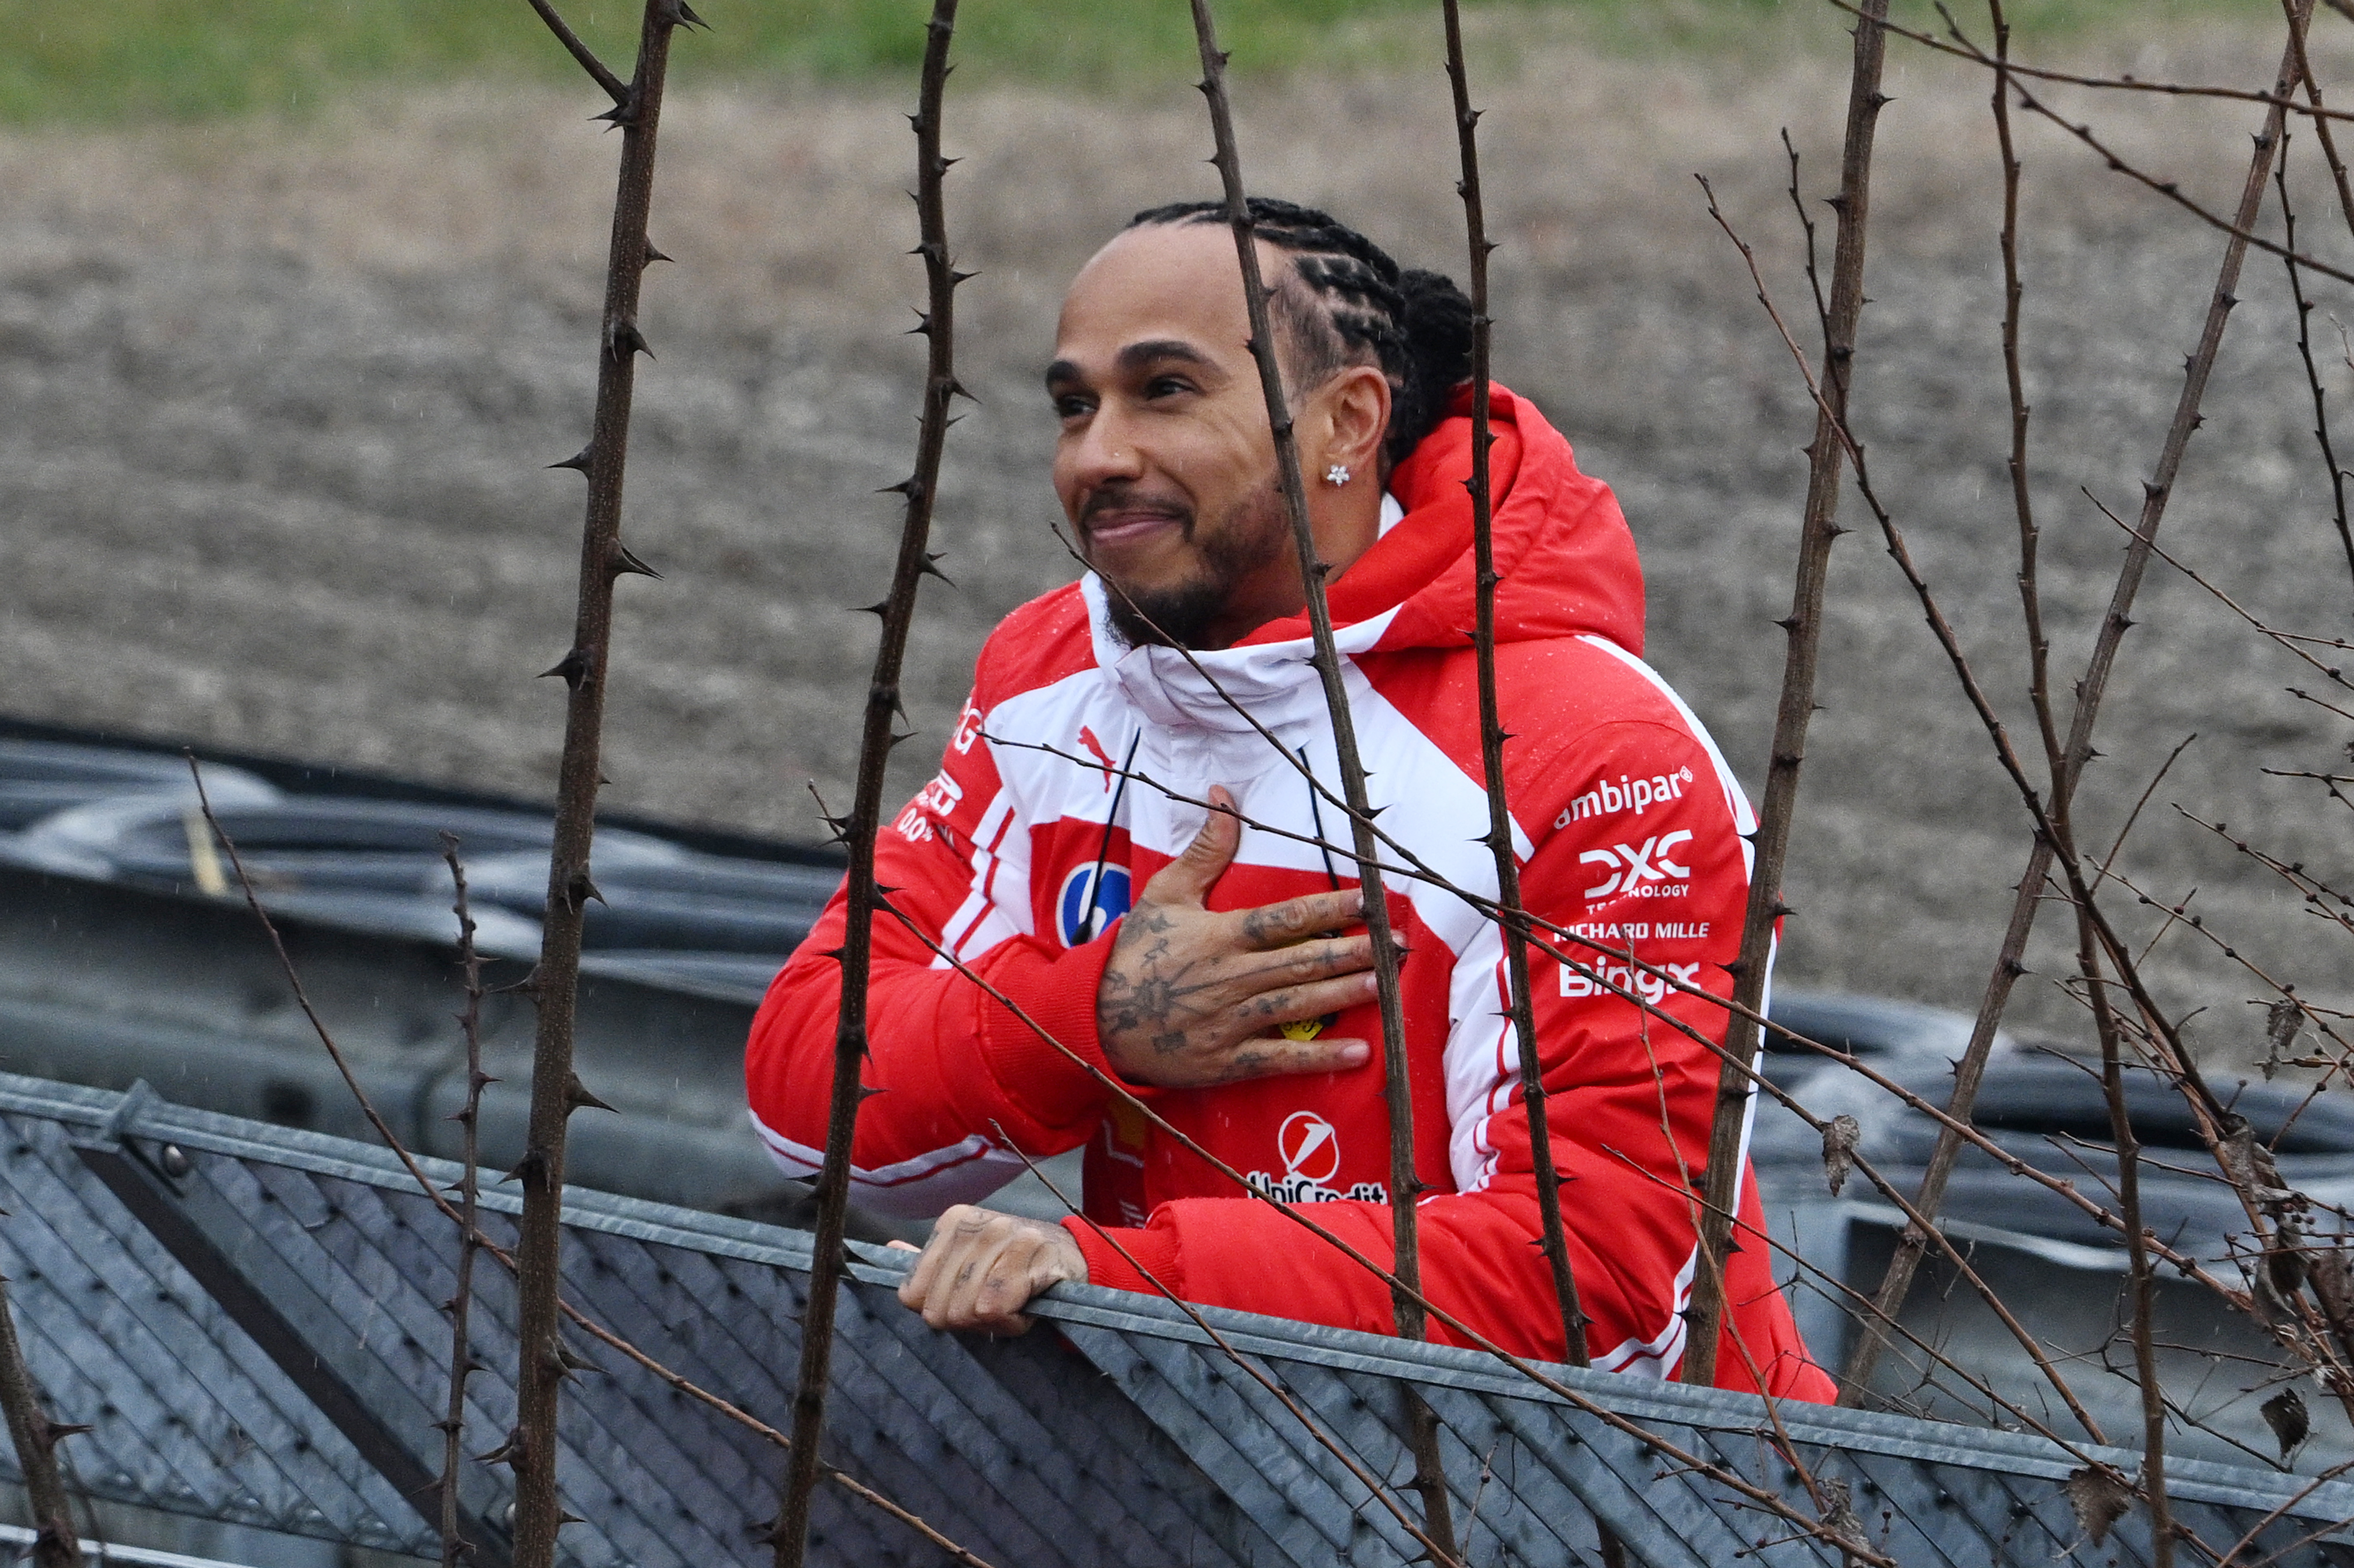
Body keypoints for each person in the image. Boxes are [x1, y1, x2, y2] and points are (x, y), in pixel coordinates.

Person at [745, 197, 1834, 1401]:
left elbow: (1602, 1295)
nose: (1098, 454)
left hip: (1640, 1511)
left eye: (1165, 390)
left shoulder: (1596, 754)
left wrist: (1123, 1279)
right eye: (1073, 404)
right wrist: (1091, 1020)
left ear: (1347, 422)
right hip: (1209, 1469)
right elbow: (810, 1106)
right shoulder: (1049, 676)